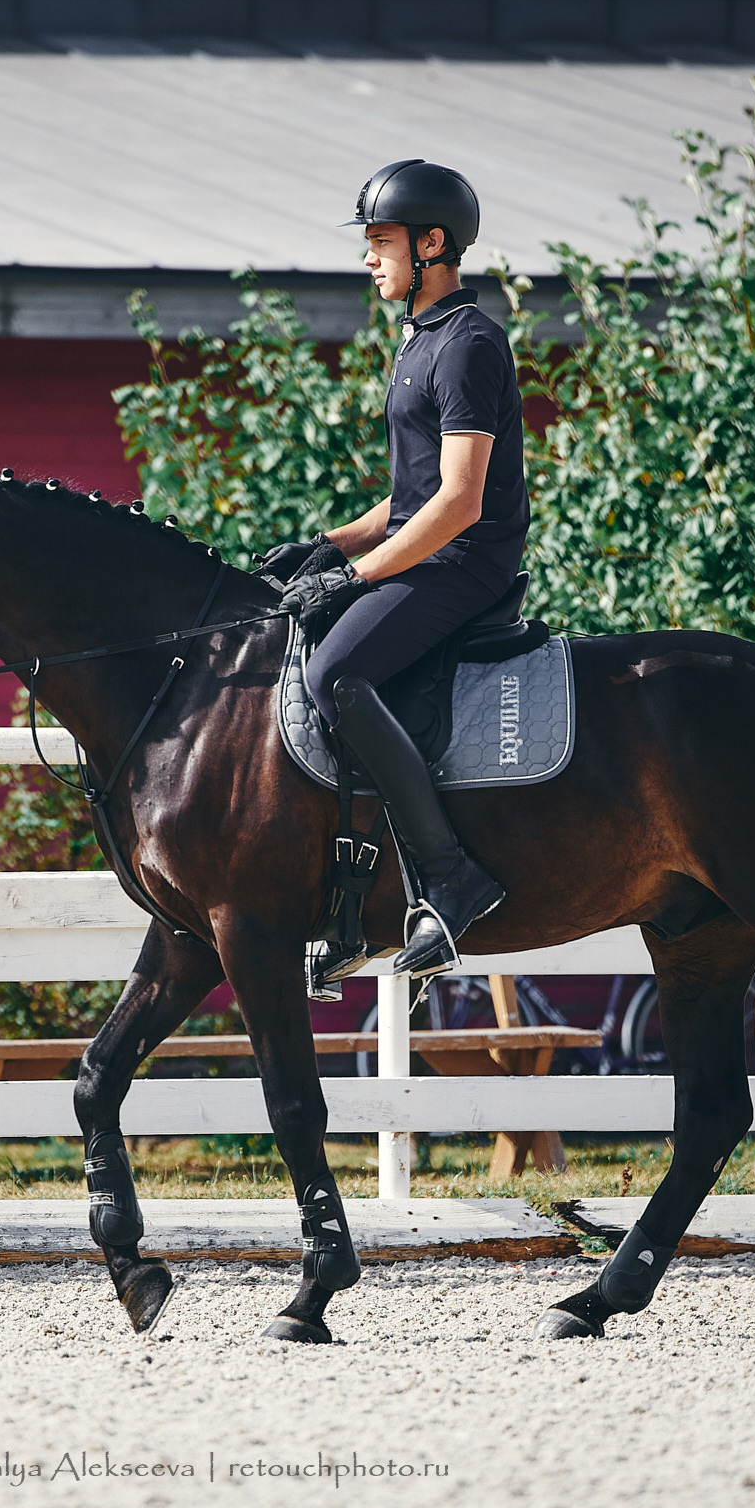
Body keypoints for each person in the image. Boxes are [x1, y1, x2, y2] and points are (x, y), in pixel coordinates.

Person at [262, 158, 529, 986]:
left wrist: (358, 578)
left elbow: (455, 504)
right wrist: (330, 546)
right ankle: (352, 900)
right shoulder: (420, 342)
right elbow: (407, 495)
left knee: (340, 669)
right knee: (303, 641)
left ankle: (452, 874)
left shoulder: (470, 346)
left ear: (433, 243)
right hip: (428, 549)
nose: (369, 259)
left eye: (381, 243)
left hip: (465, 564)